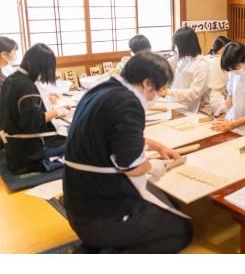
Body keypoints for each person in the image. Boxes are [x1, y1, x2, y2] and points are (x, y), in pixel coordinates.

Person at [63, 52, 192, 253]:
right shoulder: (128, 103)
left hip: (79, 202)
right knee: (181, 230)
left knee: (170, 204)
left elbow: (112, 138)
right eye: (158, 89)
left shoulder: (103, 90)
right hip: (98, 214)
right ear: (148, 83)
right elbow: (132, 167)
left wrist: (157, 147)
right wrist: (154, 165)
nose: (157, 95)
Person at [0, 44, 69, 174]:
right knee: (78, 140)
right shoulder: (27, 87)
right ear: (41, 67)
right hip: (29, 152)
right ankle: (49, 161)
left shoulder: (11, 79)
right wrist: (57, 112)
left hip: (12, 148)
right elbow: (34, 124)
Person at [167, 27, 211, 115]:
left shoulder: (201, 64)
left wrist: (168, 92)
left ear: (184, 46)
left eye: (176, 45)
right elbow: (165, 63)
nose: (174, 48)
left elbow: (194, 94)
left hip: (195, 109)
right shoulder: (182, 58)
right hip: (177, 104)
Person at [206, 36, 231, 115]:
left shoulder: (205, 58)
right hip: (216, 100)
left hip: (202, 101)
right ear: (223, 49)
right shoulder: (224, 62)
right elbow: (230, 87)